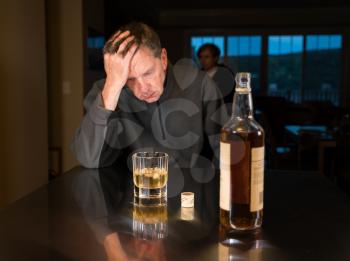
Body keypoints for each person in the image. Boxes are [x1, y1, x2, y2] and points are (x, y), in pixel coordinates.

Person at [72, 22, 227, 169]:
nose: (143, 88)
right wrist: (113, 88)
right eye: (130, 79)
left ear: (163, 59)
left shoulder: (200, 84)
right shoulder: (106, 91)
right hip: (132, 189)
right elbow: (89, 159)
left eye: (148, 73)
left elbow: (226, 150)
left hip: (190, 190)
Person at [197, 43, 235, 110]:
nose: (203, 60)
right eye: (200, 57)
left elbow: (227, 98)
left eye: (206, 57)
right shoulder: (198, 75)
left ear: (215, 58)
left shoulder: (226, 74)